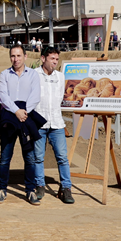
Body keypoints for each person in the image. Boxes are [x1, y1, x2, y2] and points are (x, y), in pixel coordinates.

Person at [0, 45, 43, 206]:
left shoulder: (33, 75)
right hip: (9, 117)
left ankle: (30, 190)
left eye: (19, 55)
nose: (16, 59)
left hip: (26, 117)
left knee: (29, 157)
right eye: (13, 56)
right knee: (5, 157)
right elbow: (3, 97)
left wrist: (24, 112)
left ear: (25, 56)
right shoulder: (4, 74)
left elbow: (35, 96)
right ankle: (2, 189)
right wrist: (16, 111)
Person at [33, 46, 74, 204]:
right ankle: (40, 186)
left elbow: (59, 99)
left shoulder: (60, 76)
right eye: (52, 59)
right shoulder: (34, 75)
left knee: (62, 158)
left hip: (56, 123)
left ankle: (66, 188)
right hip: (39, 124)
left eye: (57, 59)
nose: (55, 62)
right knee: (38, 157)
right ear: (43, 59)